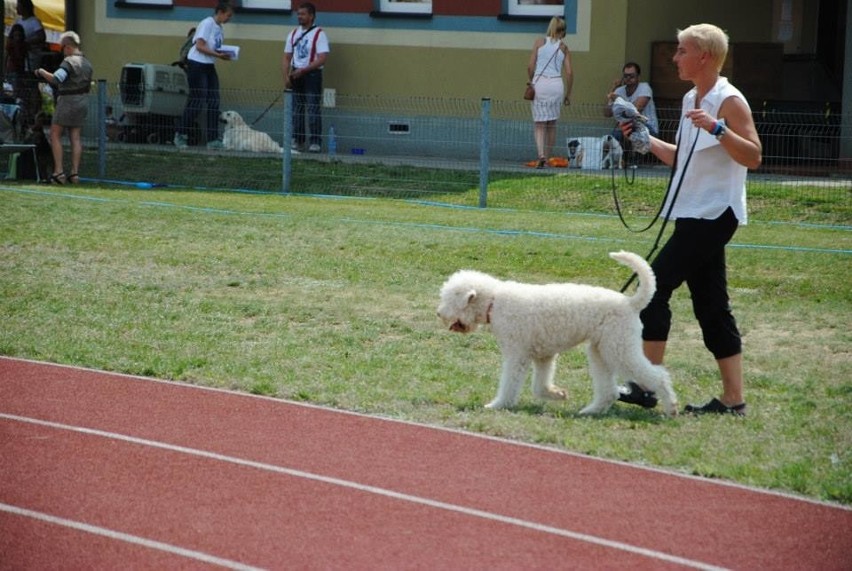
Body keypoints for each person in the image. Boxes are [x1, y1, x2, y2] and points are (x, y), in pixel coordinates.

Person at [617, 23, 762, 416]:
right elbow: (684, 156)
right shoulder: (690, 99)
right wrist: (644, 140)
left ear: (705, 56)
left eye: (682, 51)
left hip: (715, 214)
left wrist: (718, 128)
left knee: (653, 289)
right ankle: (734, 399)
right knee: (712, 305)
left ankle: (647, 386)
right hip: (691, 211)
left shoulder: (729, 100)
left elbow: (753, 155)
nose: (675, 57)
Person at [34, 31, 93, 184]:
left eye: (62, 47)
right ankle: (74, 174)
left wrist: (41, 72)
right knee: (75, 137)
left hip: (67, 101)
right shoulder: (87, 63)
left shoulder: (68, 62)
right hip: (83, 101)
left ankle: (58, 172)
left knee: (55, 134)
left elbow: (56, 78)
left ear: (67, 47)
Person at [173, 3, 233, 150]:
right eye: (228, 15)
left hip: (208, 65)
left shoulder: (219, 28)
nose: (229, 19)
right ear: (220, 12)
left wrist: (226, 53)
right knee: (197, 101)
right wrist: (218, 55)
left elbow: (214, 46)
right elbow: (200, 45)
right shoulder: (207, 24)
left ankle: (212, 139)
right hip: (197, 65)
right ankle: (180, 134)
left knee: (213, 100)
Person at [526, 16, 573, 168]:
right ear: (563, 30)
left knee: (539, 123)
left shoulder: (539, 42)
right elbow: (569, 73)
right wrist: (568, 94)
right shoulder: (564, 48)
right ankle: (547, 156)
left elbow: (530, 66)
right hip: (556, 84)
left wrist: (532, 80)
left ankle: (540, 155)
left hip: (540, 83)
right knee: (551, 123)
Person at [283, 2, 330, 153]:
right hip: (296, 73)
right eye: (298, 14)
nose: (300, 17)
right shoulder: (293, 34)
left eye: (303, 14)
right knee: (296, 109)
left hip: (312, 74)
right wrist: (286, 77)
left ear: (311, 16)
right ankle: (298, 140)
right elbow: (286, 57)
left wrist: (304, 70)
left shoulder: (319, 34)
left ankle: (315, 141)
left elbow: (322, 58)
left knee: (313, 108)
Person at [604, 62, 659, 156]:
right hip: (624, 128)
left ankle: (634, 159)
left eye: (632, 76)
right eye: (625, 76)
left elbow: (635, 111)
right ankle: (621, 160)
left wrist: (618, 100)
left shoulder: (644, 88)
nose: (628, 78)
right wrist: (612, 90)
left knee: (630, 129)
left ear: (638, 76)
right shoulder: (619, 90)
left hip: (647, 128)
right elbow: (607, 113)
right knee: (610, 139)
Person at [15, 0, 46, 124]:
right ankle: (24, 111)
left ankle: (35, 111)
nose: (17, 8)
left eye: (19, 6)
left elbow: (41, 37)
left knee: (32, 84)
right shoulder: (18, 21)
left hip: (32, 58)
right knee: (21, 85)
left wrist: (27, 42)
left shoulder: (34, 22)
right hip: (19, 59)